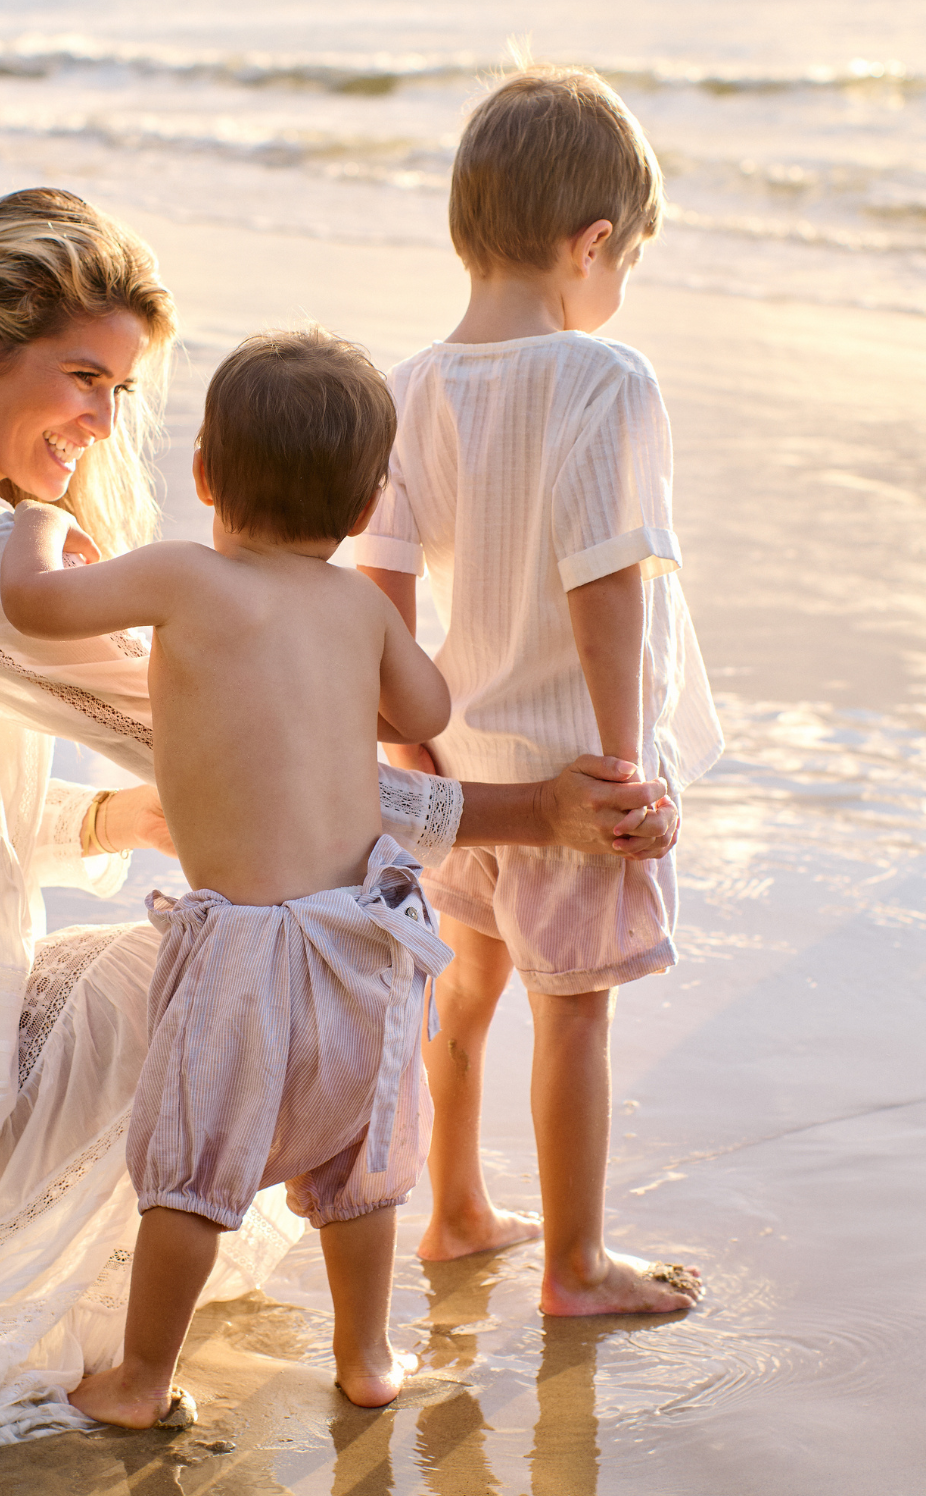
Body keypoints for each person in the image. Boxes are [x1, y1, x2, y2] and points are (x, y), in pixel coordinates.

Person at [0, 188, 680, 1484]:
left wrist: (121, 813)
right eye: (83, 377)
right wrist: (537, 812)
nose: (97, 421)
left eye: (120, 392)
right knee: (207, 1007)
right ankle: (277, 1349)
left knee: (172, 967)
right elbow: (312, 760)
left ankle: (68, 1326)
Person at [0, 327, 453, 1427]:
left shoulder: (180, 578)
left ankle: (143, 1379)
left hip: (246, 946)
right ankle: (368, 1358)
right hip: (361, 935)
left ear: (203, 474)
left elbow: (37, 607)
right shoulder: (357, 607)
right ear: (360, 510)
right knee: (359, 1170)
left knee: (194, 1175)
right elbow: (428, 714)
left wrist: (35, 523)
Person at [356, 66, 723, 1315]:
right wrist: (625, 763)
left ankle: (455, 1210)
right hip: (569, 765)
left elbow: (383, 584)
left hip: (458, 761)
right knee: (575, 1017)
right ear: (594, 243)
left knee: (467, 985)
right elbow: (605, 583)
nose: (620, 294)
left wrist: (409, 749)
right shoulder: (604, 377)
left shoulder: (409, 387)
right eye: (628, 265)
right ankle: (575, 1264)